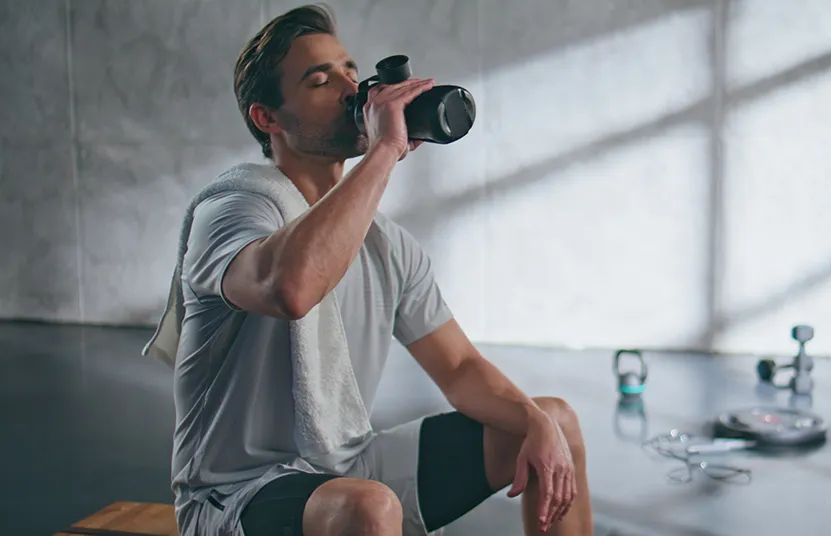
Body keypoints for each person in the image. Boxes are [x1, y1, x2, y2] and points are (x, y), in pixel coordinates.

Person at [161, 4, 593, 535]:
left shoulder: (386, 244)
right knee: (369, 507)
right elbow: (291, 288)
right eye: (320, 81)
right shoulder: (233, 209)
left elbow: (457, 368)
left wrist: (534, 421)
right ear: (267, 118)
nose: (349, 89)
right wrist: (386, 149)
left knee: (555, 423)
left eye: (349, 70)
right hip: (235, 494)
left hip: (348, 465)